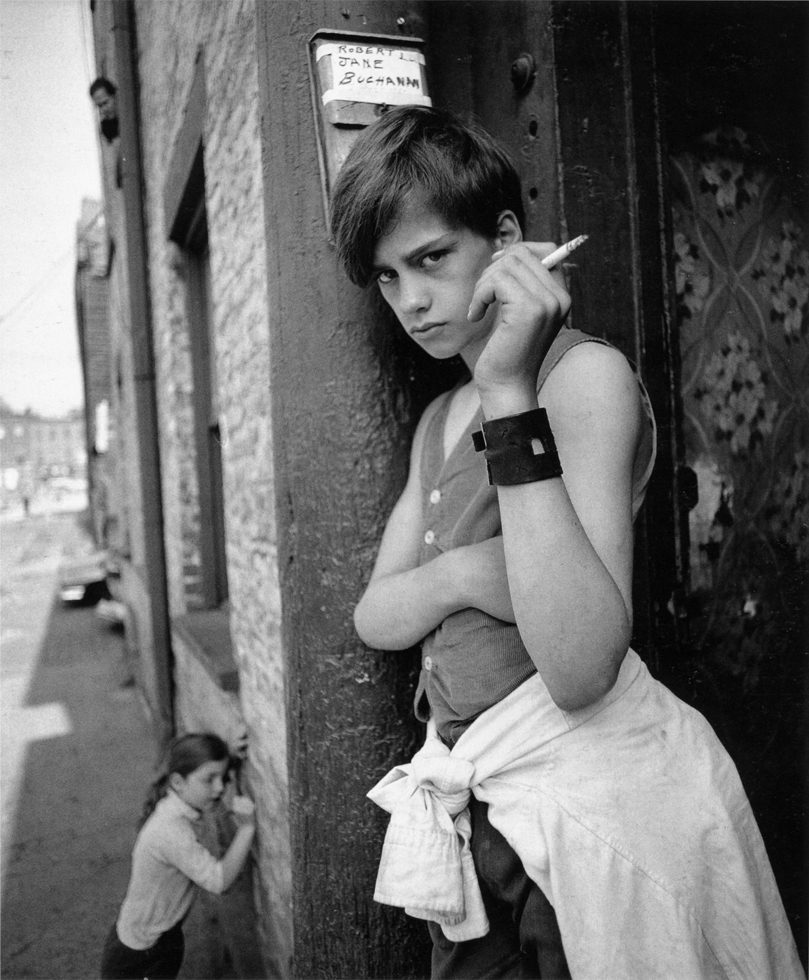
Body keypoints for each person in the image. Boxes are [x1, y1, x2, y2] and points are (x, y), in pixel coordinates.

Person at [330, 106, 804, 979]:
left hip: (590, 804)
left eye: (431, 258)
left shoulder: (581, 378)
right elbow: (375, 615)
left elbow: (580, 659)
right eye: (388, 277)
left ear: (507, 240)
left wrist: (509, 386)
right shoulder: (438, 418)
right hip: (476, 809)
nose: (411, 300)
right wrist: (472, 571)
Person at [100, 732, 256, 980]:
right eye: (210, 779)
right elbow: (219, 881)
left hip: (161, 936)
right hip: (140, 951)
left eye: (222, 777)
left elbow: (199, 773)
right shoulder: (171, 832)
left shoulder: (176, 800)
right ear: (178, 782)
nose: (219, 787)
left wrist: (228, 754)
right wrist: (247, 828)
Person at [89, 77, 119, 144]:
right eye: (99, 106)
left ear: (114, 96)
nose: (103, 109)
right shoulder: (106, 127)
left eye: (105, 103)